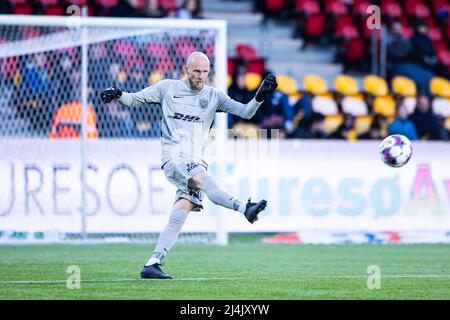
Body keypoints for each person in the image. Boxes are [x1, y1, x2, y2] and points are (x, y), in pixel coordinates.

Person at [100, 51, 278, 279]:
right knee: (204, 179)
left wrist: (260, 96)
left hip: (195, 160)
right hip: (174, 157)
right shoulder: (167, 88)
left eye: (205, 72)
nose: (201, 76)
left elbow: (245, 112)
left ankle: (152, 263)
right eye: (196, 71)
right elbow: (134, 99)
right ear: (186, 70)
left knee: (182, 209)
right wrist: (118, 93)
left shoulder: (214, 96)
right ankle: (245, 208)